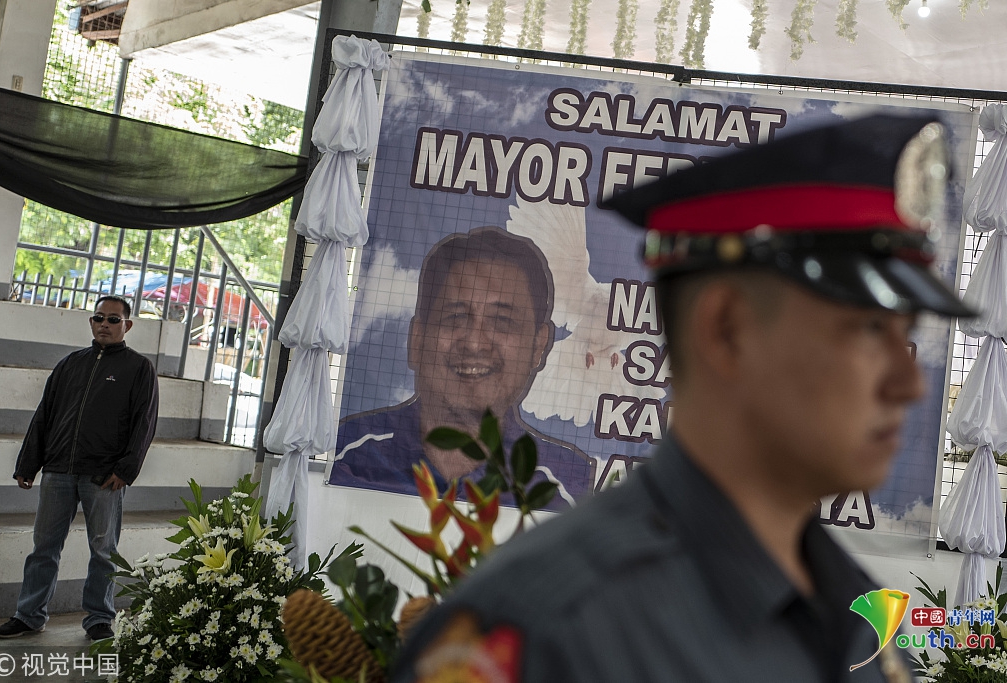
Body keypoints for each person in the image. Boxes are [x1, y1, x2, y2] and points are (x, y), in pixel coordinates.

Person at [391, 115, 973, 682]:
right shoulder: (544, 634)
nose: (910, 384)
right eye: (870, 330)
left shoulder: (864, 626)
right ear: (726, 330)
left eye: (908, 335)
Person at [331, 227, 596, 509]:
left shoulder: (569, 487)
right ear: (417, 339)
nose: (474, 343)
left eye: (502, 321)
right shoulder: (343, 452)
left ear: (538, 346)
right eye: (455, 317)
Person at [0, 295, 159, 642]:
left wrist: (126, 470)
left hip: (104, 476)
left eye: (114, 320)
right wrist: (28, 463)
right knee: (44, 547)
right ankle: (29, 615)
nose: (105, 325)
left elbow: (144, 423)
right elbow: (44, 415)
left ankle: (99, 617)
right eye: (99, 318)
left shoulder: (138, 368)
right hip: (58, 471)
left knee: (103, 551)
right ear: (91, 322)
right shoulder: (69, 364)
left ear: (127, 326)